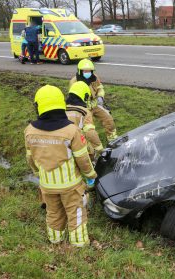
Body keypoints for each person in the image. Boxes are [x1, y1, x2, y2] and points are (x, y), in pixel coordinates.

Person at [24, 85, 97, 247]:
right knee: (76, 212)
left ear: (38, 106)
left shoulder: (29, 131)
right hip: (71, 185)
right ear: (60, 103)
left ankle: (55, 239)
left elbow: (30, 158)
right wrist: (91, 175)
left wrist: (37, 173)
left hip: (47, 185)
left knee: (53, 212)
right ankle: (79, 244)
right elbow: (83, 159)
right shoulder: (71, 131)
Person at [70, 59, 118, 142]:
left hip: (96, 105)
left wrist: (100, 96)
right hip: (83, 109)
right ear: (80, 71)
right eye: (85, 71)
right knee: (88, 128)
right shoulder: (74, 82)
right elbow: (74, 98)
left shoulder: (94, 78)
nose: (88, 73)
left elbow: (100, 88)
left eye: (89, 71)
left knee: (108, 119)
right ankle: (88, 144)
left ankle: (112, 139)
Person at [66, 81, 104, 161]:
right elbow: (90, 133)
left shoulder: (61, 109)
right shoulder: (84, 112)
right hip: (77, 145)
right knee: (90, 149)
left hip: (61, 146)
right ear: (85, 96)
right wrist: (100, 149)